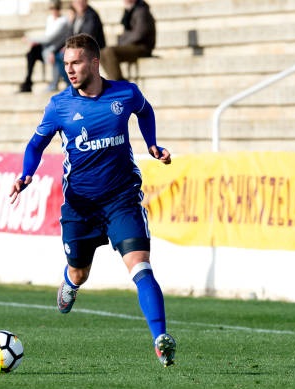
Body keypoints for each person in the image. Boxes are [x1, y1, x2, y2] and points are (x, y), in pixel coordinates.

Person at [9, 33, 176, 367]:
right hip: (80, 206)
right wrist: (27, 173)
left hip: (121, 198)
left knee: (140, 266)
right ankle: (70, 282)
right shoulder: (59, 106)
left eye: (76, 63)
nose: (69, 70)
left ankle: (161, 338)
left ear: (94, 62)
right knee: (80, 271)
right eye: (66, 64)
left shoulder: (126, 93)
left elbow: (145, 112)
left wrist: (153, 144)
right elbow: (35, 146)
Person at [18, 0, 70, 93]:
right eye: (52, 8)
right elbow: (47, 37)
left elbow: (50, 39)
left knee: (56, 56)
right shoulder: (50, 19)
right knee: (31, 53)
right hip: (47, 48)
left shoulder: (63, 22)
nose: (54, 11)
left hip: (56, 49)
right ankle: (28, 82)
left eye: (56, 8)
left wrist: (30, 39)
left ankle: (56, 84)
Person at [100, 0, 156, 81]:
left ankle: (120, 83)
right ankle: (114, 80)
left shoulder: (141, 11)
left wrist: (123, 41)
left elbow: (139, 34)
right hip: (132, 45)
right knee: (102, 53)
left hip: (142, 47)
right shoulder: (130, 11)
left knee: (110, 51)